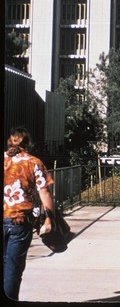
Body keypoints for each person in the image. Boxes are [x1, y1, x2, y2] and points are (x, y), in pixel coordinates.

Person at [3, 126, 54, 300]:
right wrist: (49, 219)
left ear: (10, 141)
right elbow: (44, 192)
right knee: (13, 270)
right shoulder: (33, 162)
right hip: (20, 220)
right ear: (28, 143)